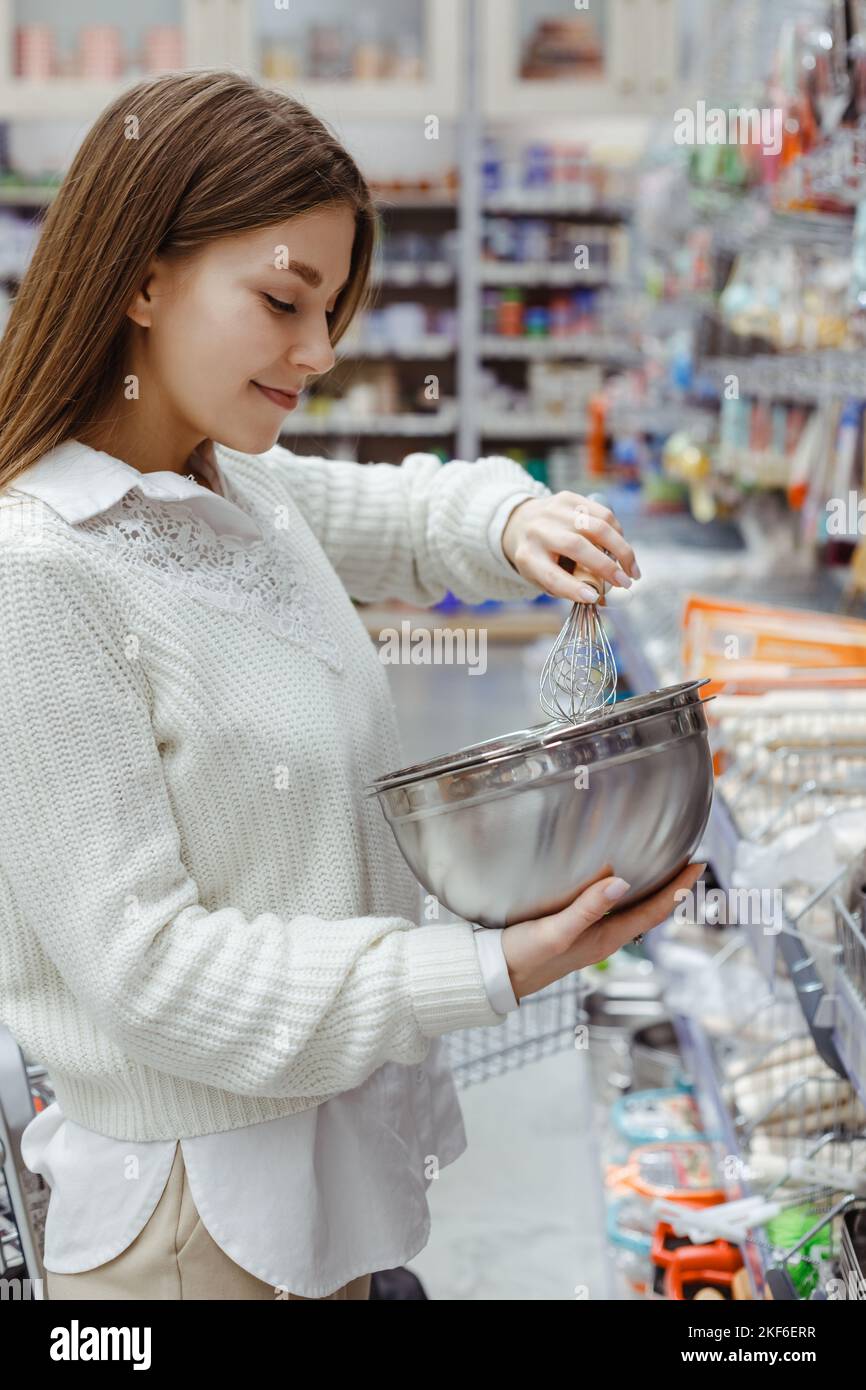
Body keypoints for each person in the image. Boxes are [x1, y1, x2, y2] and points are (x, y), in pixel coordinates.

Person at [0, 69, 703, 1301]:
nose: (319, 352)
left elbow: (416, 509)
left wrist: (520, 516)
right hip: (194, 1231)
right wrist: (484, 969)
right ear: (142, 278)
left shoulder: (236, 488)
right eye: (281, 300)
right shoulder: (41, 576)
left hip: (321, 1187)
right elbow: (149, 969)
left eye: (331, 307)